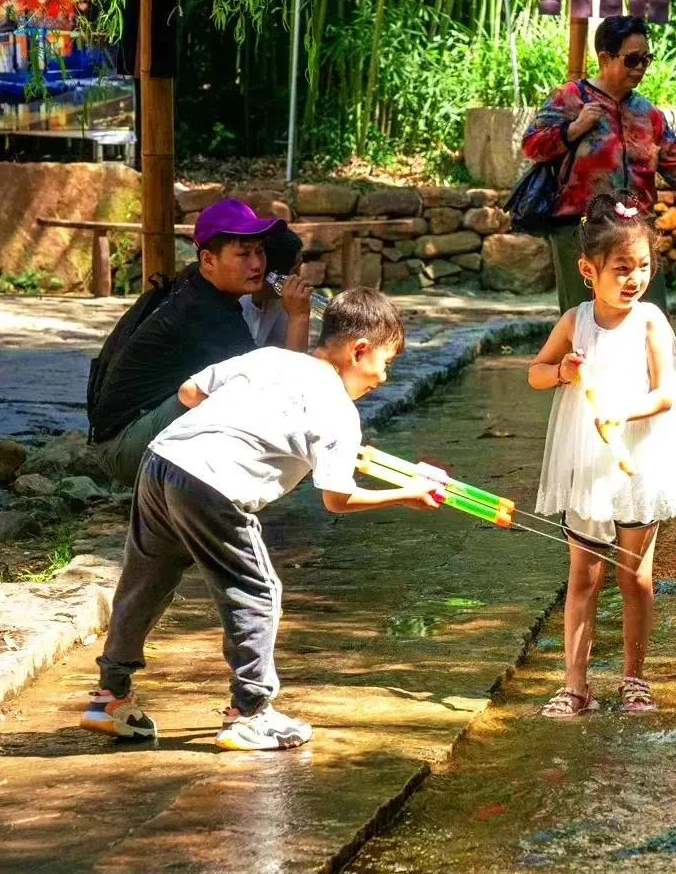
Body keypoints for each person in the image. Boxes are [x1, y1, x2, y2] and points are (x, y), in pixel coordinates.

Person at [80, 289, 442, 752]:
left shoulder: (271, 358)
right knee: (255, 591)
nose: (384, 376)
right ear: (360, 350)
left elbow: (190, 392)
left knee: (145, 579)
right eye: (385, 362)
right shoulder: (337, 408)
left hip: (163, 459)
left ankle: (110, 695)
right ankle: (250, 712)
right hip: (216, 484)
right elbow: (337, 499)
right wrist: (406, 494)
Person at [527, 193, 676, 718]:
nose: (634, 279)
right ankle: (576, 684)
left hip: (639, 461)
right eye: (621, 268)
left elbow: (667, 393)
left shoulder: (650, 322)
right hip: (588, 465)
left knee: (634, 576)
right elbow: (536, 372)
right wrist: (563, 372)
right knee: (584, 576)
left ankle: (634, 678)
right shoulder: (575, 323)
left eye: (643, 266)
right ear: (587, 270)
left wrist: (624, 413)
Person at [521, 15, 676, 314]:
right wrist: (574, 129)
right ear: (605, 58)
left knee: (649, 323)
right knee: (585, 327)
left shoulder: (648, 113)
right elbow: (532, 146)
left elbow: (675, 161)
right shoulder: (570, 98)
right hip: (582, 233)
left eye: (646, 59)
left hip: (636, 235)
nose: (641, 68)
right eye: (633, 60)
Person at [90, 199, 280, 487]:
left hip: (121, 436)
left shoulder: (194, 282)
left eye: (260, 251)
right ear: (208, 260)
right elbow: (275, 389)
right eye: (243, 255)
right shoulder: (205, 312)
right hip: (123, 448)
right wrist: (300, 316)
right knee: (240, 398)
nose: (257, 264)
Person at [241, 226, 315, 351]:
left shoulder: (280, 303)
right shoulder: (237, 305)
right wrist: (298, 317)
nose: (299, 278)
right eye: (296, 269)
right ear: (274, 277)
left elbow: (293, 361)